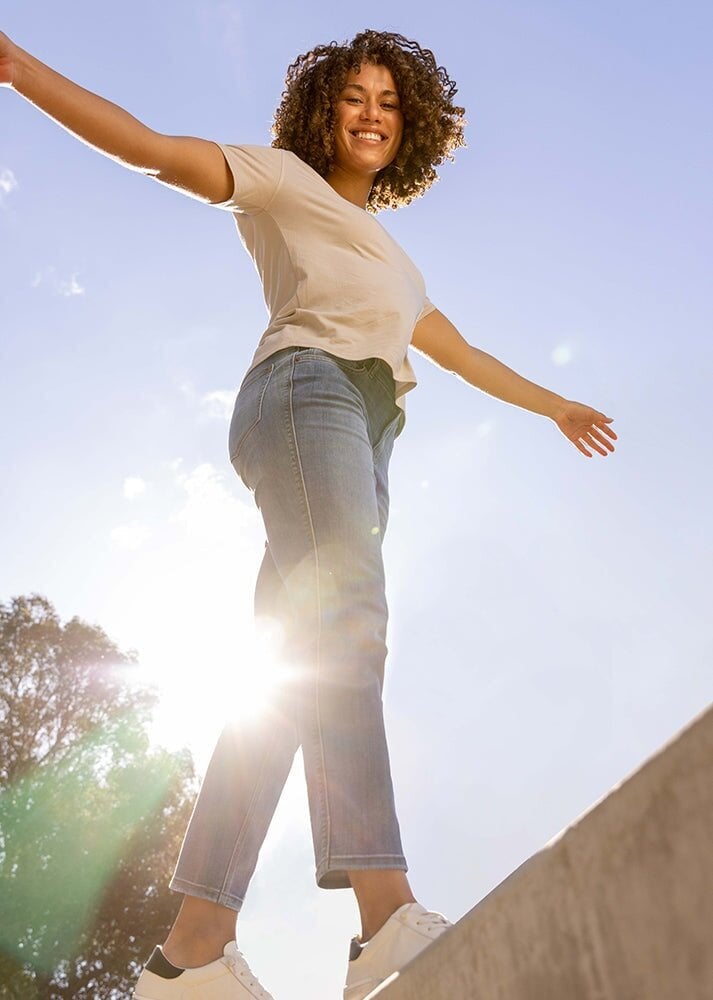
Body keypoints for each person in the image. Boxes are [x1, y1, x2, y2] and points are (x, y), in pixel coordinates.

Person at [2, 26, 617, 1000]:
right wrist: (19, 68)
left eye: (388, 101)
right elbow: (152, 148)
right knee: (346, 627)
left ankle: (190, 949)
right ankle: (381, 913)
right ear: (322, 107)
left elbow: (459, 353)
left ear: (408, 124)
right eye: (353, 96)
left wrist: (557, 405)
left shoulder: (398, 265)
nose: (370, 114)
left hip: (363, 441)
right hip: (304, 397)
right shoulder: (281, 179)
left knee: (286, 685)